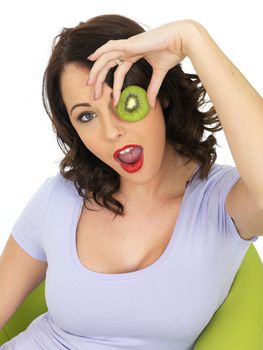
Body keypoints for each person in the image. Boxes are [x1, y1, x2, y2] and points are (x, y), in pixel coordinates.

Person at [0, 13, 262, 350]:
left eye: (123, 99)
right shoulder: (59, 198)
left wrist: (193, 38)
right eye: (87, 115)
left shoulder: (220, 202)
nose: (111, 132)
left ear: (160, 94)